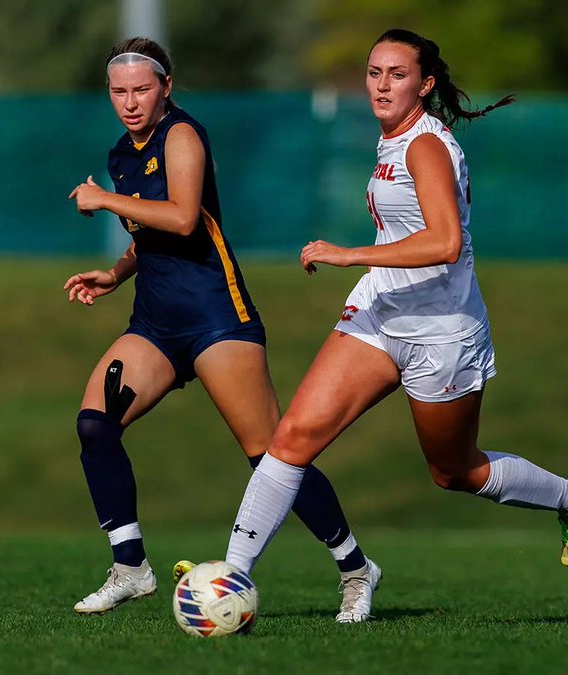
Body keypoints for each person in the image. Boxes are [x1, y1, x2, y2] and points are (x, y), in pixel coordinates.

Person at [212, 29, 568, 623]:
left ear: (424, 85)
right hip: (379, 314)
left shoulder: (424, 146)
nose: (381, 85)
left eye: (397, 75)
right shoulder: (391, 138)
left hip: (443, 330)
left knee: (455, 471)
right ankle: (231, 578)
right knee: (291, 439)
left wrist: (350, 254)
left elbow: (447, 241)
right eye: (374, 72)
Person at [64, 37, 375, 619]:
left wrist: (105, 200)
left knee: (273, 456)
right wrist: (116, 272)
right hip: (155, 324)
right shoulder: (120, 153)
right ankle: (130, 567)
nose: (130, 101)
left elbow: (183, 219)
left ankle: (356, 568)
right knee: (94, 426)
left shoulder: (181, 135)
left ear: (166, 89)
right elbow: (149, 235)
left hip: (215, 318)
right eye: (118, 91)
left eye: (142, 89)